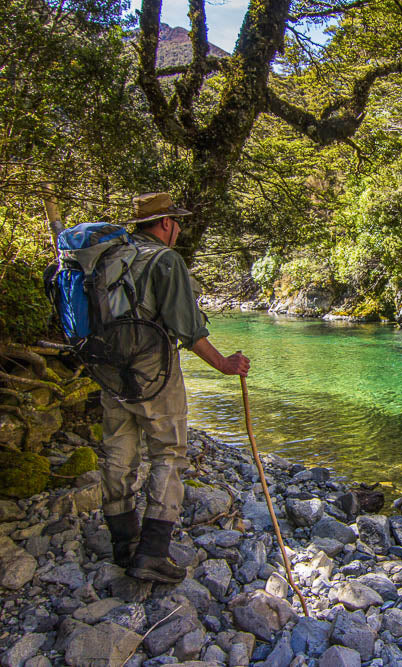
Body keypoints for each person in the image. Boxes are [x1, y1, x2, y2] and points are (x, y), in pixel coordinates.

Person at [101, 192, 250, 584]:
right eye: (177, 222)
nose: (180, 229)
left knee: (119, 449)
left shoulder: (111, 256)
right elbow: (187, 327)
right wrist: (223, 363)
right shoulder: (165, 261)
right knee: (168, 451)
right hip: (154, 370)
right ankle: (151, 552)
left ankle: (122, 544)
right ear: (165, 223)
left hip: (108, 370)